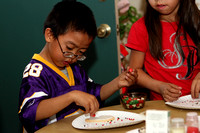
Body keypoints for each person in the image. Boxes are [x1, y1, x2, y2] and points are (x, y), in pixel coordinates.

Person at [18, 0, 137, 132]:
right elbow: (30, 112)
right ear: (50, 35)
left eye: (80, 52)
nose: (73, 57)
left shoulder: (73, 67)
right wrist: (72, 96)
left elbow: (93, 94)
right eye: (69, 48)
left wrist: (117, 83)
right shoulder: (36, 72)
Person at [126, 0, 200, 102]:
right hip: (161, 106)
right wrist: (160, 87)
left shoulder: (197, 22)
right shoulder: (141, 27)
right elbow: (134, 71)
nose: (158, 0)